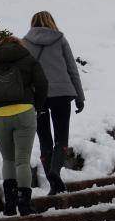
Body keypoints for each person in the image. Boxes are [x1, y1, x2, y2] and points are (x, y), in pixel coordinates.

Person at [0, 36, 48, 216]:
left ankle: (10, 205)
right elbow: (43, 84)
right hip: (25, 112)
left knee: (8, 159)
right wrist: (37, 107)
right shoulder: (28, 58)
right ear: (18, 45)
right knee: (22, 160)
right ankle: (24, 204)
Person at [22, 11, 85, 195]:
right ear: (51, 22)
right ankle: (55, 172)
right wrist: (79, 96)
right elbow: (72, 69)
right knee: (61, 138)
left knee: (44, 140)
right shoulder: (60, 39)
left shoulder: (25, 43)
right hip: (62, 94)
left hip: (37, 97)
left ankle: (53, 184)